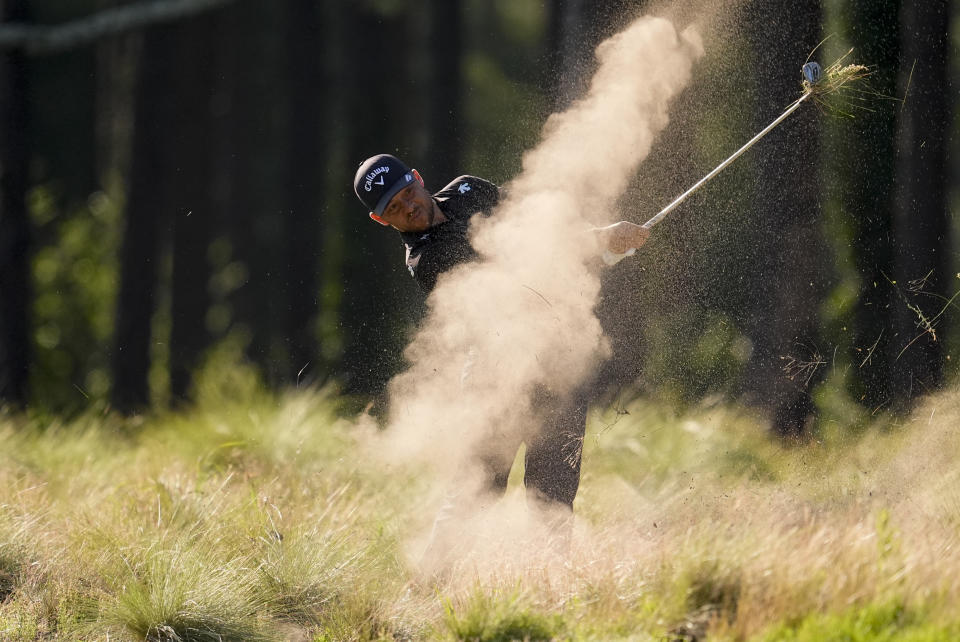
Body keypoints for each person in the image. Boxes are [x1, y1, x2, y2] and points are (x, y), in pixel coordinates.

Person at [353, 153, 650, 568]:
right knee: (478, 489)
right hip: (496, 372)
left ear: (418, 179)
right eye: (395, 209)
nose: (409, 208)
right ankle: (430, 587)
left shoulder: (467, 189)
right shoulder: (426, 259)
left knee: (554, 491)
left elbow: (539, 229)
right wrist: (599, 241)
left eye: (407, 194)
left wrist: (600, 244)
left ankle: (542, 588)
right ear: (382, 221)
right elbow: (515, 276)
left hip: (557, 355)